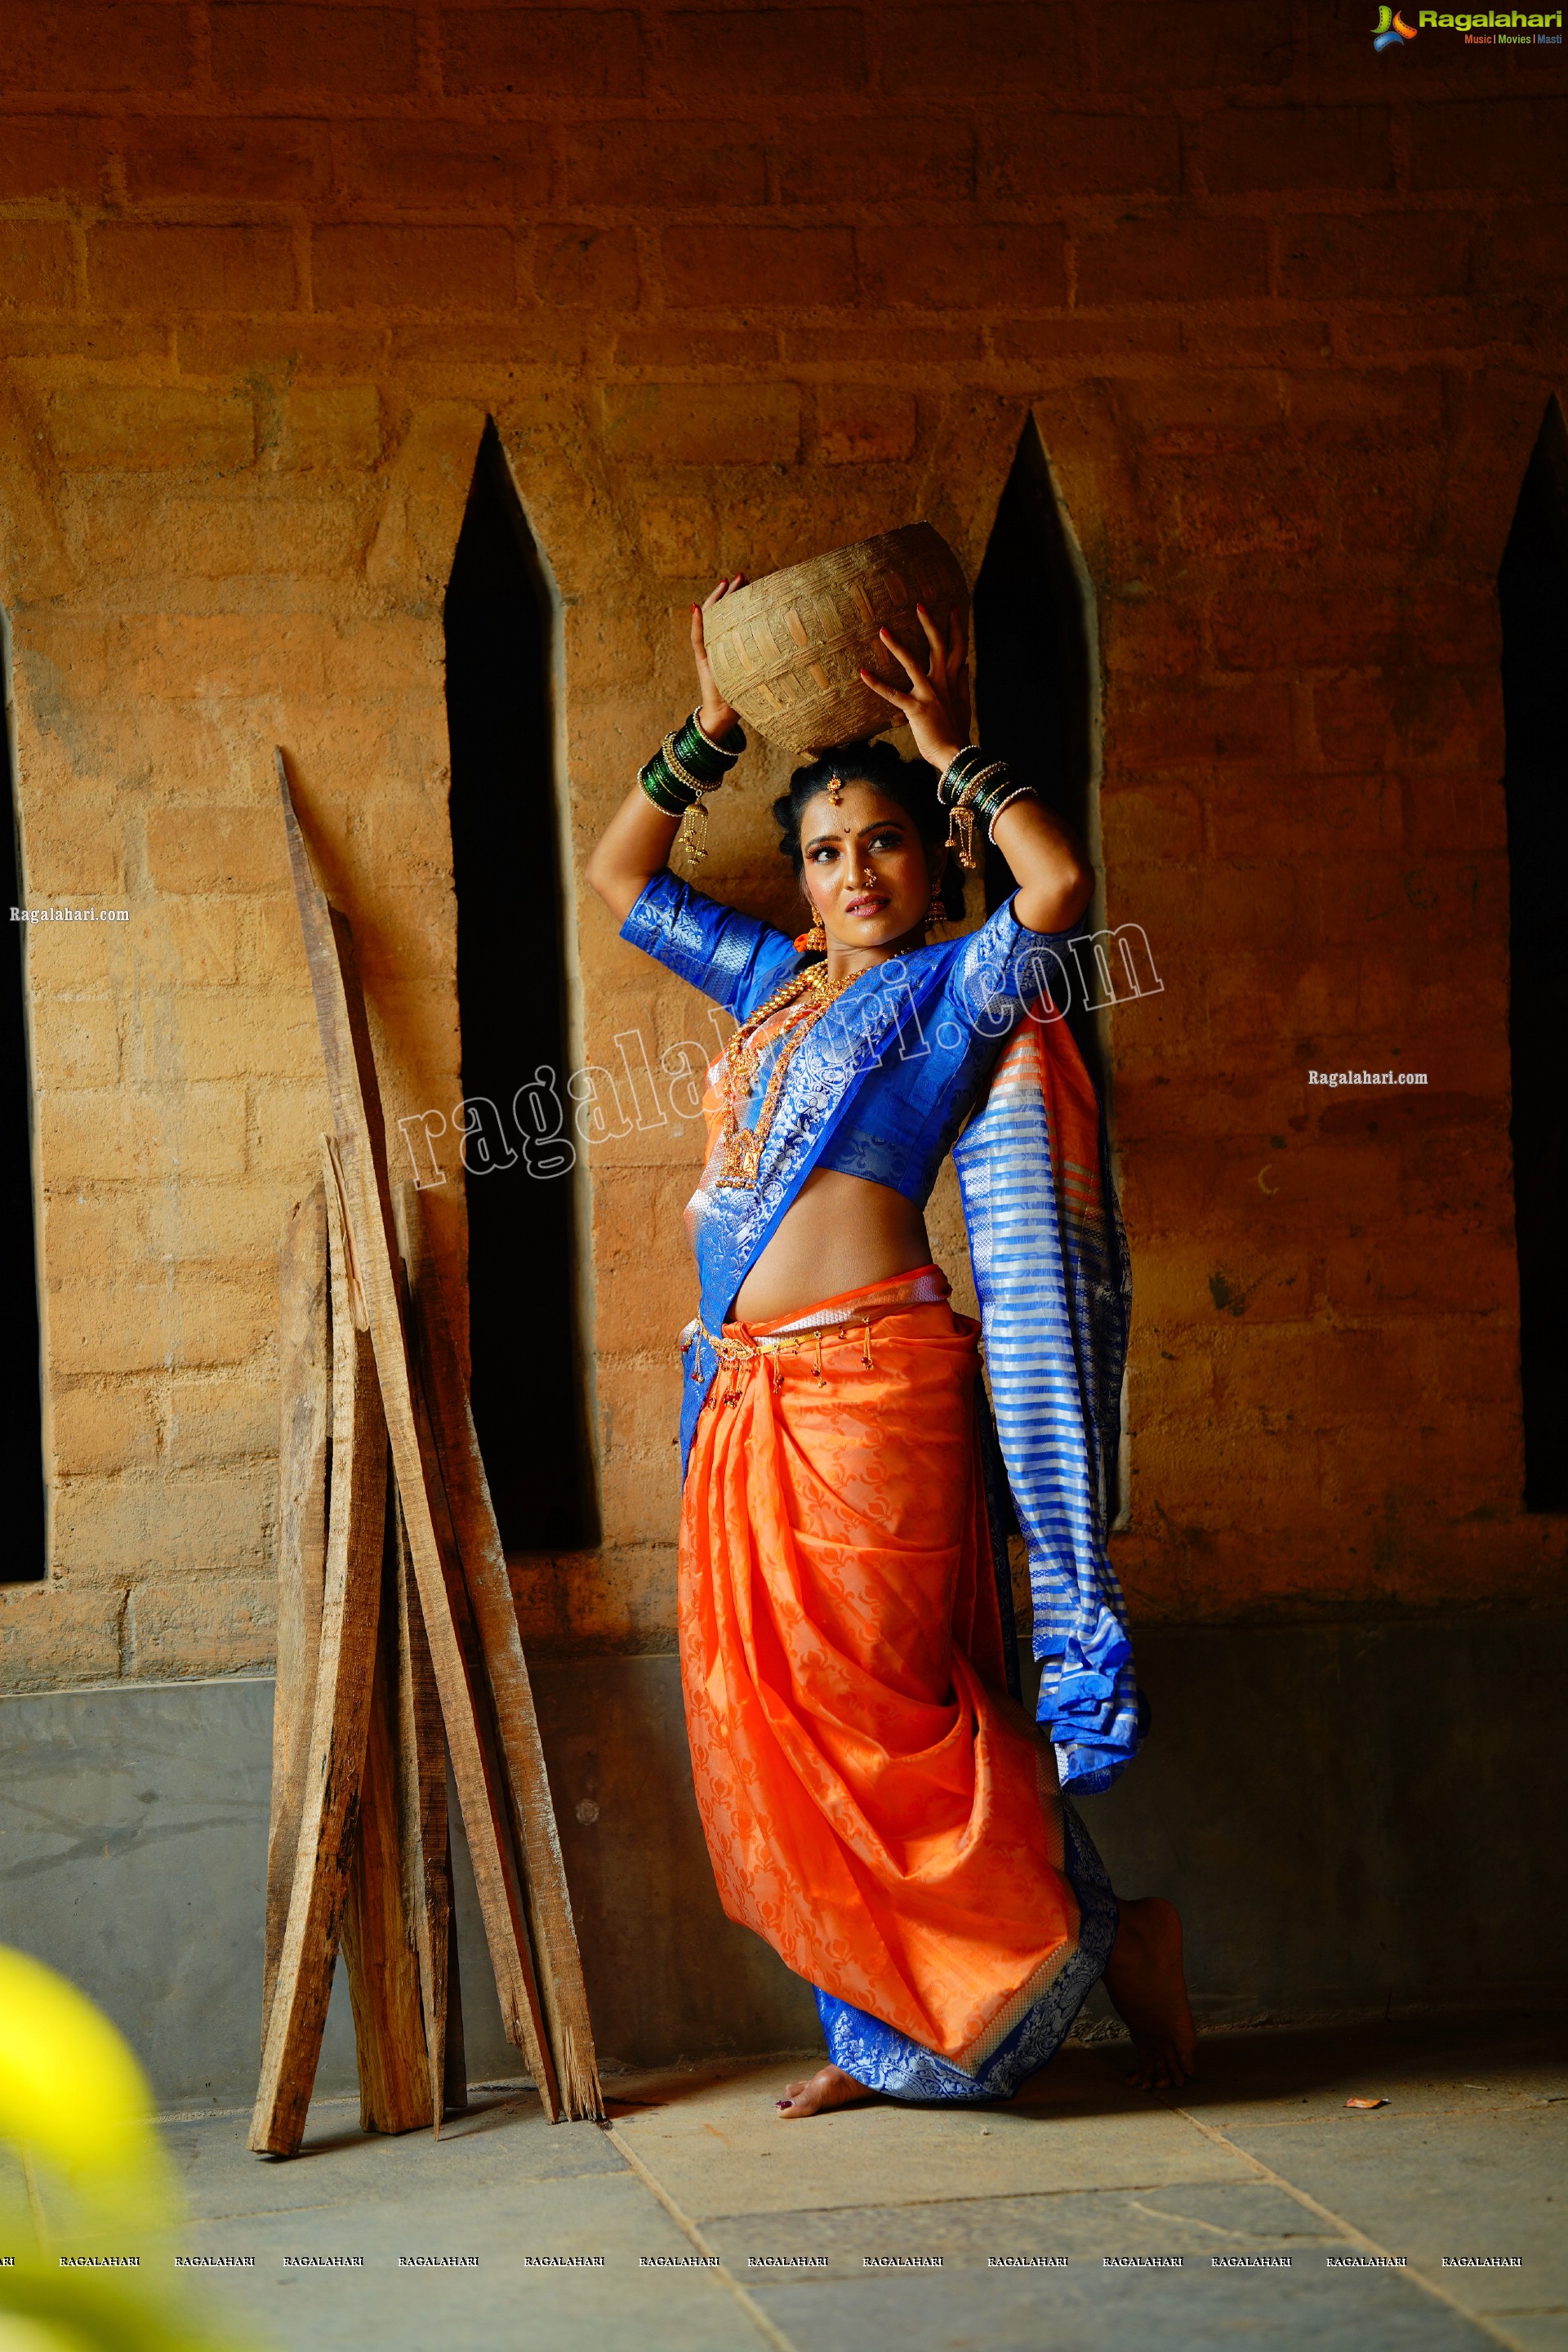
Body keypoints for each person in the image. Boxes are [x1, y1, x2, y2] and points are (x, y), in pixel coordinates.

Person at [586, 577, 1195, 2118]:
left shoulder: (953, 984)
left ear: (930, 861)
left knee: (898, 1720)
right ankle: (885, 2027)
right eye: (826, 852)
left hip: (875, 1396)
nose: (855, 870)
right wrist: (711, 725)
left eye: (884, 842)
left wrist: (956, 743)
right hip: (744, 1400)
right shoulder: (768, 987)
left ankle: (1094, 1946)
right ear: (799, 882)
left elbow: (1053, 886)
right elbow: (618, 872)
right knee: (781, 1726)